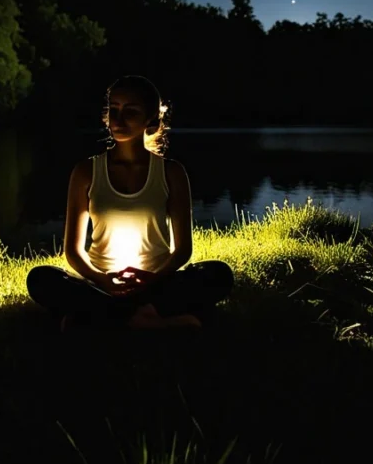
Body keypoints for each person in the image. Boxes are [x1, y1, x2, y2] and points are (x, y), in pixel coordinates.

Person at [26, 75, 234, 331]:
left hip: (157, 283)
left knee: (218, 274)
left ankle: (101, 320)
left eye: (130, 111)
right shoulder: (85, 172)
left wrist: (152, 280)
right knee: (41, 278)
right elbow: (73, 251)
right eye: (113, 109)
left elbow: (183, 250)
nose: (118, 119)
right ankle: (150, 321)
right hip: (101, 284)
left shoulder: (171, 173)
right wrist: (102, 280)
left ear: (151, 119)